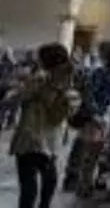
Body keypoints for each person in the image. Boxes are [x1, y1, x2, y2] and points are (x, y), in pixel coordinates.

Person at [9, 43, 78, 208]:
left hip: (30, 136)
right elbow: (71, 110)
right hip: (52, 137)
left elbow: (16, 97)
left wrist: (17, 90)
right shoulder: (68, 82)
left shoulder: (39, 79)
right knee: (49, 177)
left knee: (28, 183)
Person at [74, 42, 110, 199]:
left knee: (107, 154)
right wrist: (96, 114)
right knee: (91, 155)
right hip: (100, 119)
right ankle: (84, 185)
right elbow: (89, 94)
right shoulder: (101, 72)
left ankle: (100, 180)